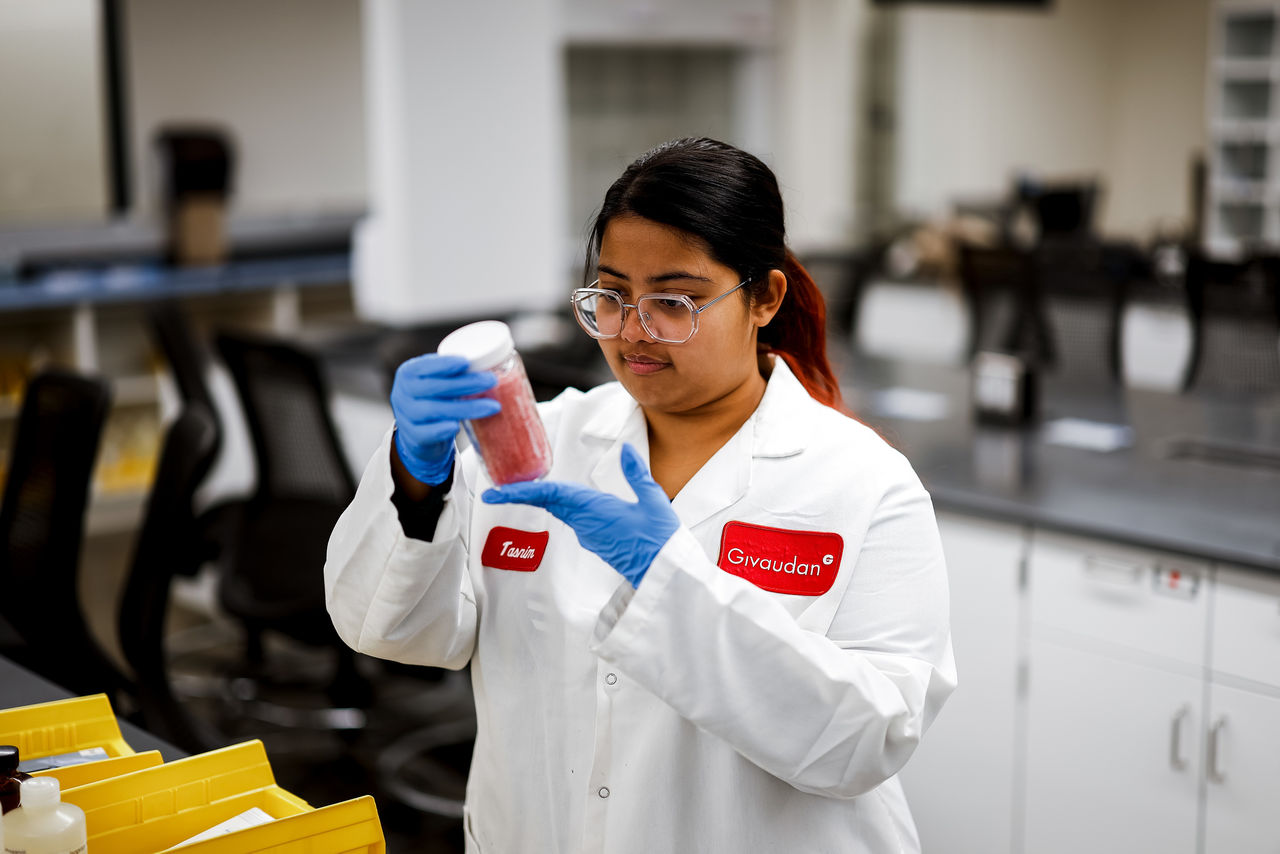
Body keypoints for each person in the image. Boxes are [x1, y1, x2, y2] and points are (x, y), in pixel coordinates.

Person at [326, 137, 955, 853]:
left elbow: (869, 740)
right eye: (614, 295)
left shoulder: (862, 483)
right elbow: (389, 628)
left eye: (674, 301)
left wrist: (670, 585)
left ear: (764, 298)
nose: (632, 331)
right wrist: (416, 478)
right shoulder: (537, 449)